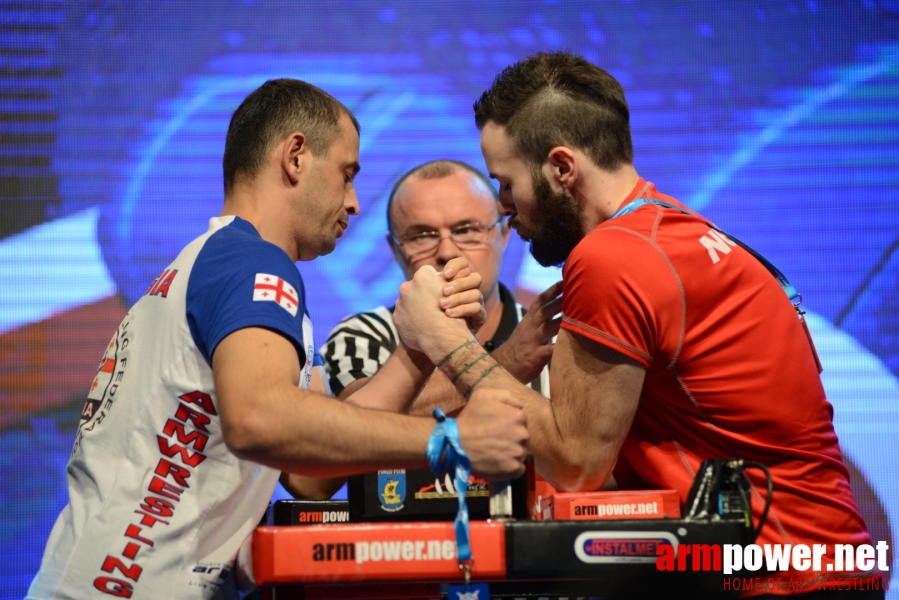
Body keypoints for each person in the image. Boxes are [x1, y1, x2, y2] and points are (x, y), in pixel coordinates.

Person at [392, 52, 881, 597]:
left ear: (561, 169)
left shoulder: (613, 258)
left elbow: (576, 465)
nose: (505, 207)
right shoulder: (676, 231)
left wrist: (440, 338)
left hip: (782, 579)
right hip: (825, 562)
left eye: (506, 183)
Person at [26, 79, 528, 600]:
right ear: (295, 157)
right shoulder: (254, 265)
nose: (354, 203)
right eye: (347, 175)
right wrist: (450, 441)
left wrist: (419, 348)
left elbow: (307, 476)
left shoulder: (218, 260)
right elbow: (261, 418)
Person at [321, 159, 560, 410]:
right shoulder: (361, 336)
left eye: (467, 230)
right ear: (395, 251)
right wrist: (508, 362)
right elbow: (353, 427)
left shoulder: (554, 339)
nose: (447, 251)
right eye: (422, 235)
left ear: (503, 236)